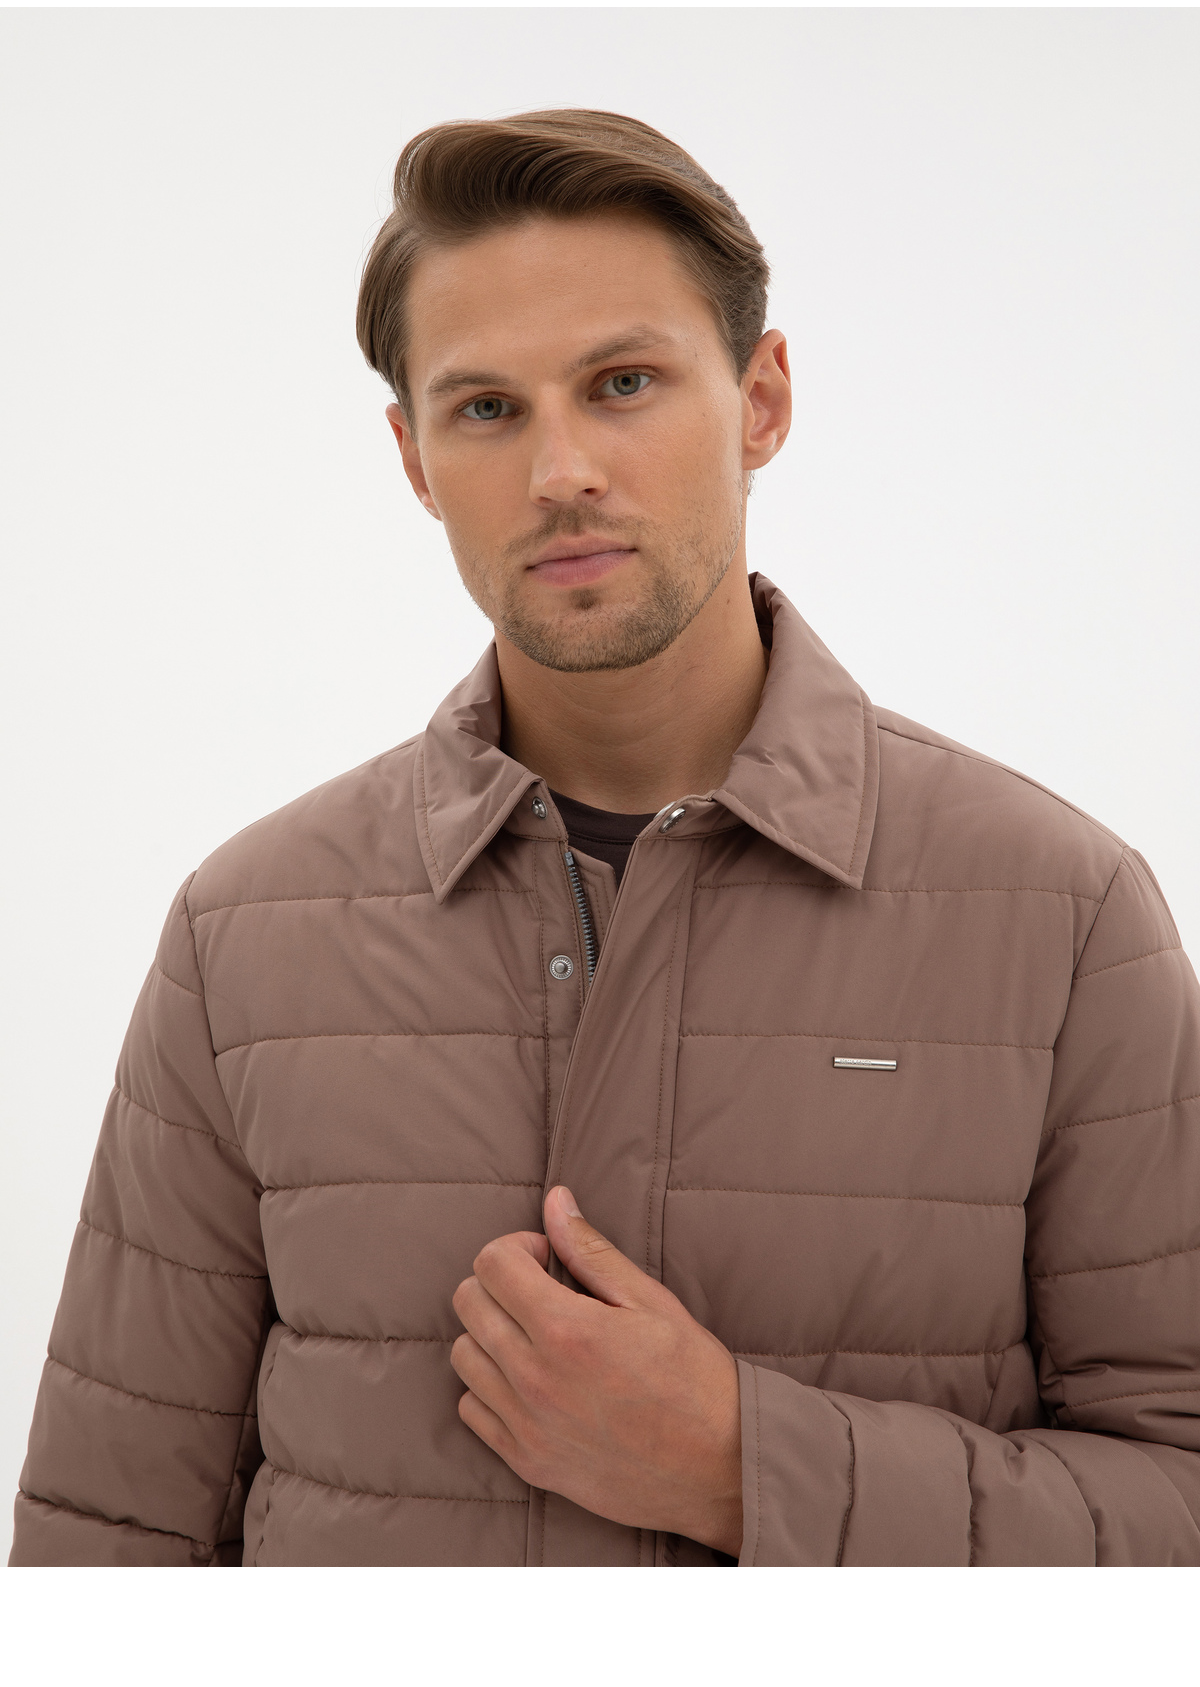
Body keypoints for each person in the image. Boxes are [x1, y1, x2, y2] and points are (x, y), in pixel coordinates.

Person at [11, 109, 1199, 1568]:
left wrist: (744, 1468)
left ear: (761, 401)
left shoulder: (1063, 917)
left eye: (622, 383)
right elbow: (104, 1540)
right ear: (414, 460)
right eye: (486, 409)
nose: (561, 468)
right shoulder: (241, 934)